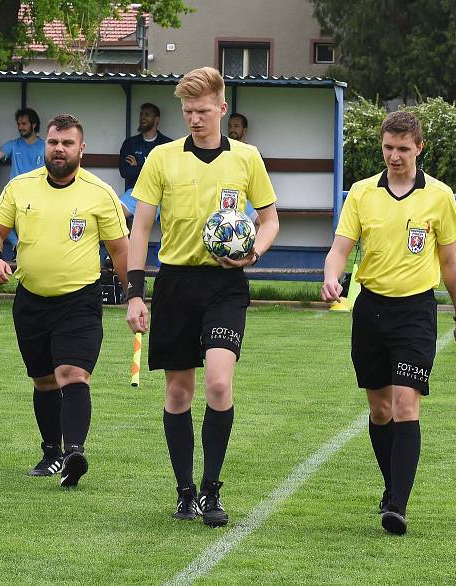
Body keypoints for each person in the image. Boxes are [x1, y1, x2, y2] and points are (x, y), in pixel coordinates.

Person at [125, 67, 280, 527]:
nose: (194, 118)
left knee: (217, 383)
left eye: (203, 110)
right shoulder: (163, 159)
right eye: (188, 111)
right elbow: (141, 227)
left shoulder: (247, 158)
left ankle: (212, 490)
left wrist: (254, 250)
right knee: (178, 390)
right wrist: (136, 293)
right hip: (175, 283)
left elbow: (270, 220)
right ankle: (185, 491)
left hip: (225, 285)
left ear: (222, 108)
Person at [320, 111, 456, 535]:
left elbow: (449, 262)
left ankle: (398, 507)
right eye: (388, 147)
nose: (394, 156)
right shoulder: (362, 193)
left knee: (407, 403)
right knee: (381, 408)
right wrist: (331, 276)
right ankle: (392, 488)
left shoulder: (440, 196)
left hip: (415, 314)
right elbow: (340, 248)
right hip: (369, 310)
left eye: (403, 148)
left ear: (419, 148)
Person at [0, 113, 129, 488]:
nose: (58, 149)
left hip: (79, 301)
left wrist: (136, 297)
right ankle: (51, 453)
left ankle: (74, 452)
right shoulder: (20, 187)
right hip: (30, 301)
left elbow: (121, 251)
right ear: (45, 145)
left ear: (81, 148)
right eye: (53, 142)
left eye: (66, 143)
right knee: (44, 380)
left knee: (73, 375)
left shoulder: (100, 193)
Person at [0, 108, 45, 251]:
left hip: (38, 194)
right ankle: (17, 246)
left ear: (33, 125)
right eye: (18, 124)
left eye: (24, 124)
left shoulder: (45, 146)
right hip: (16, 193)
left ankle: (27, 250)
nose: (20, 127)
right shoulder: (13, 144)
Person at [118, 103, 171, 220]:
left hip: (162, 195)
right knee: (114, 214)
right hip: (136, 192)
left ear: (157, 119)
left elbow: (168, 175)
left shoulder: (167, 145)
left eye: (147, 114)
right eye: (141, 114)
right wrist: (152, 169)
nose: (143, 117)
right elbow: (125, 172)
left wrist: (138, 167)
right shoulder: (130, 143)